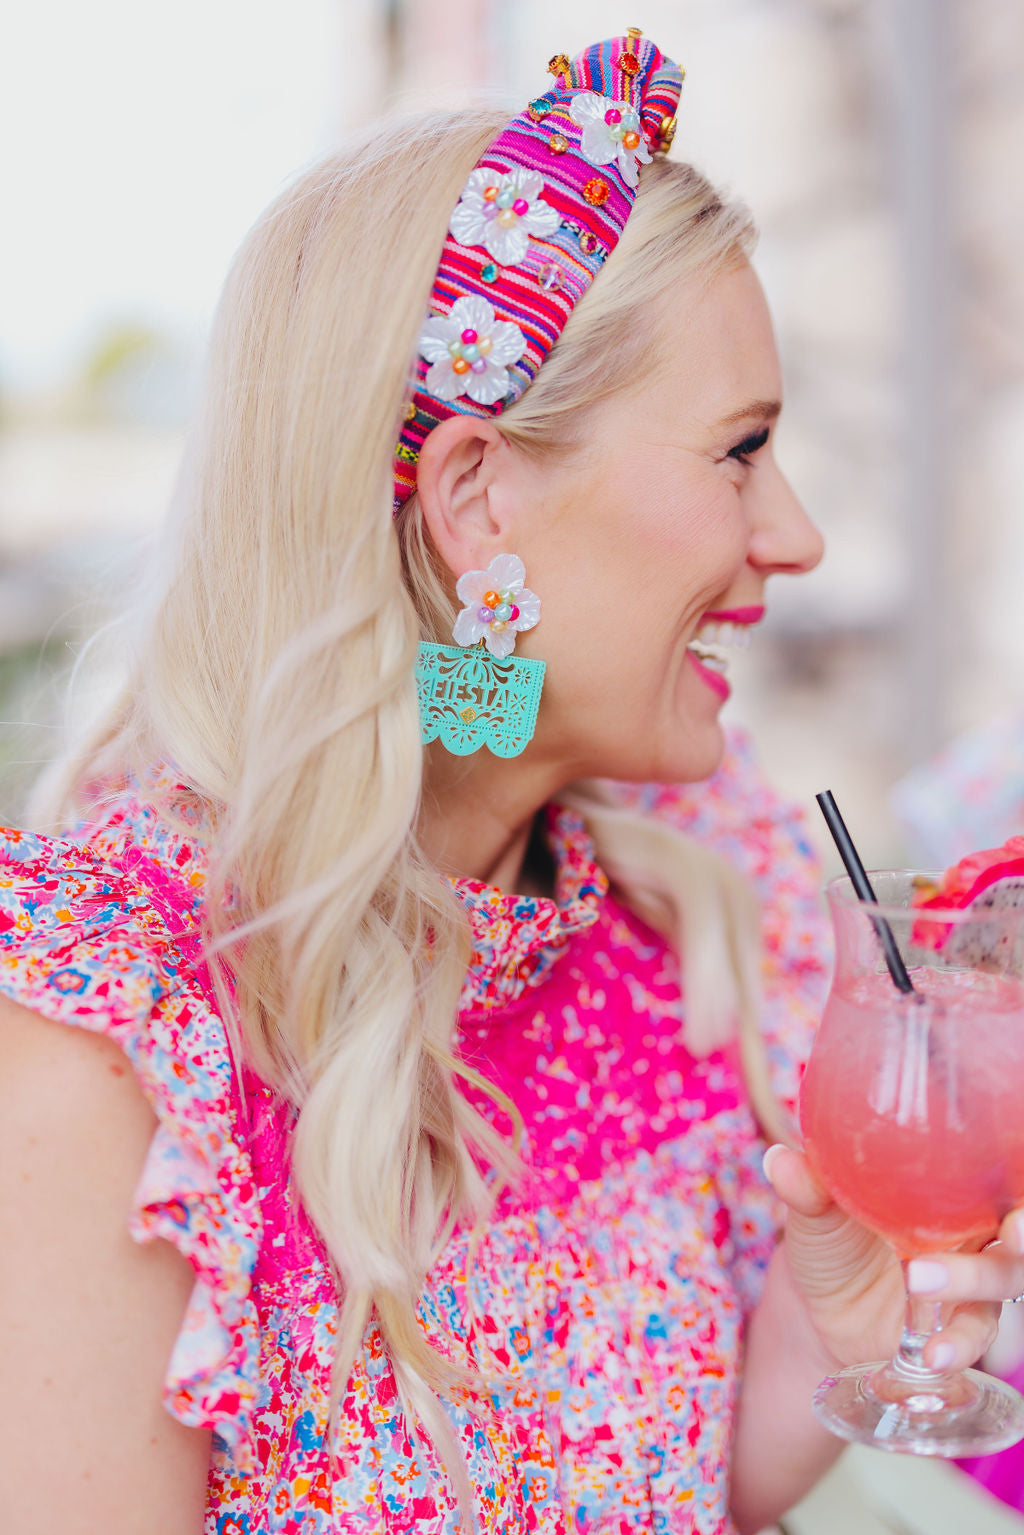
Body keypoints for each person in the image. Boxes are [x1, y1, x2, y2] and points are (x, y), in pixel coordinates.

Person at [2, 30, 1022, 1535]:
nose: (794, 535)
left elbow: (668, 1495)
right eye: (740, 453)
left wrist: (830, 1338)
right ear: (478, 501)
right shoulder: (106, 1041)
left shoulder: (693, 877)